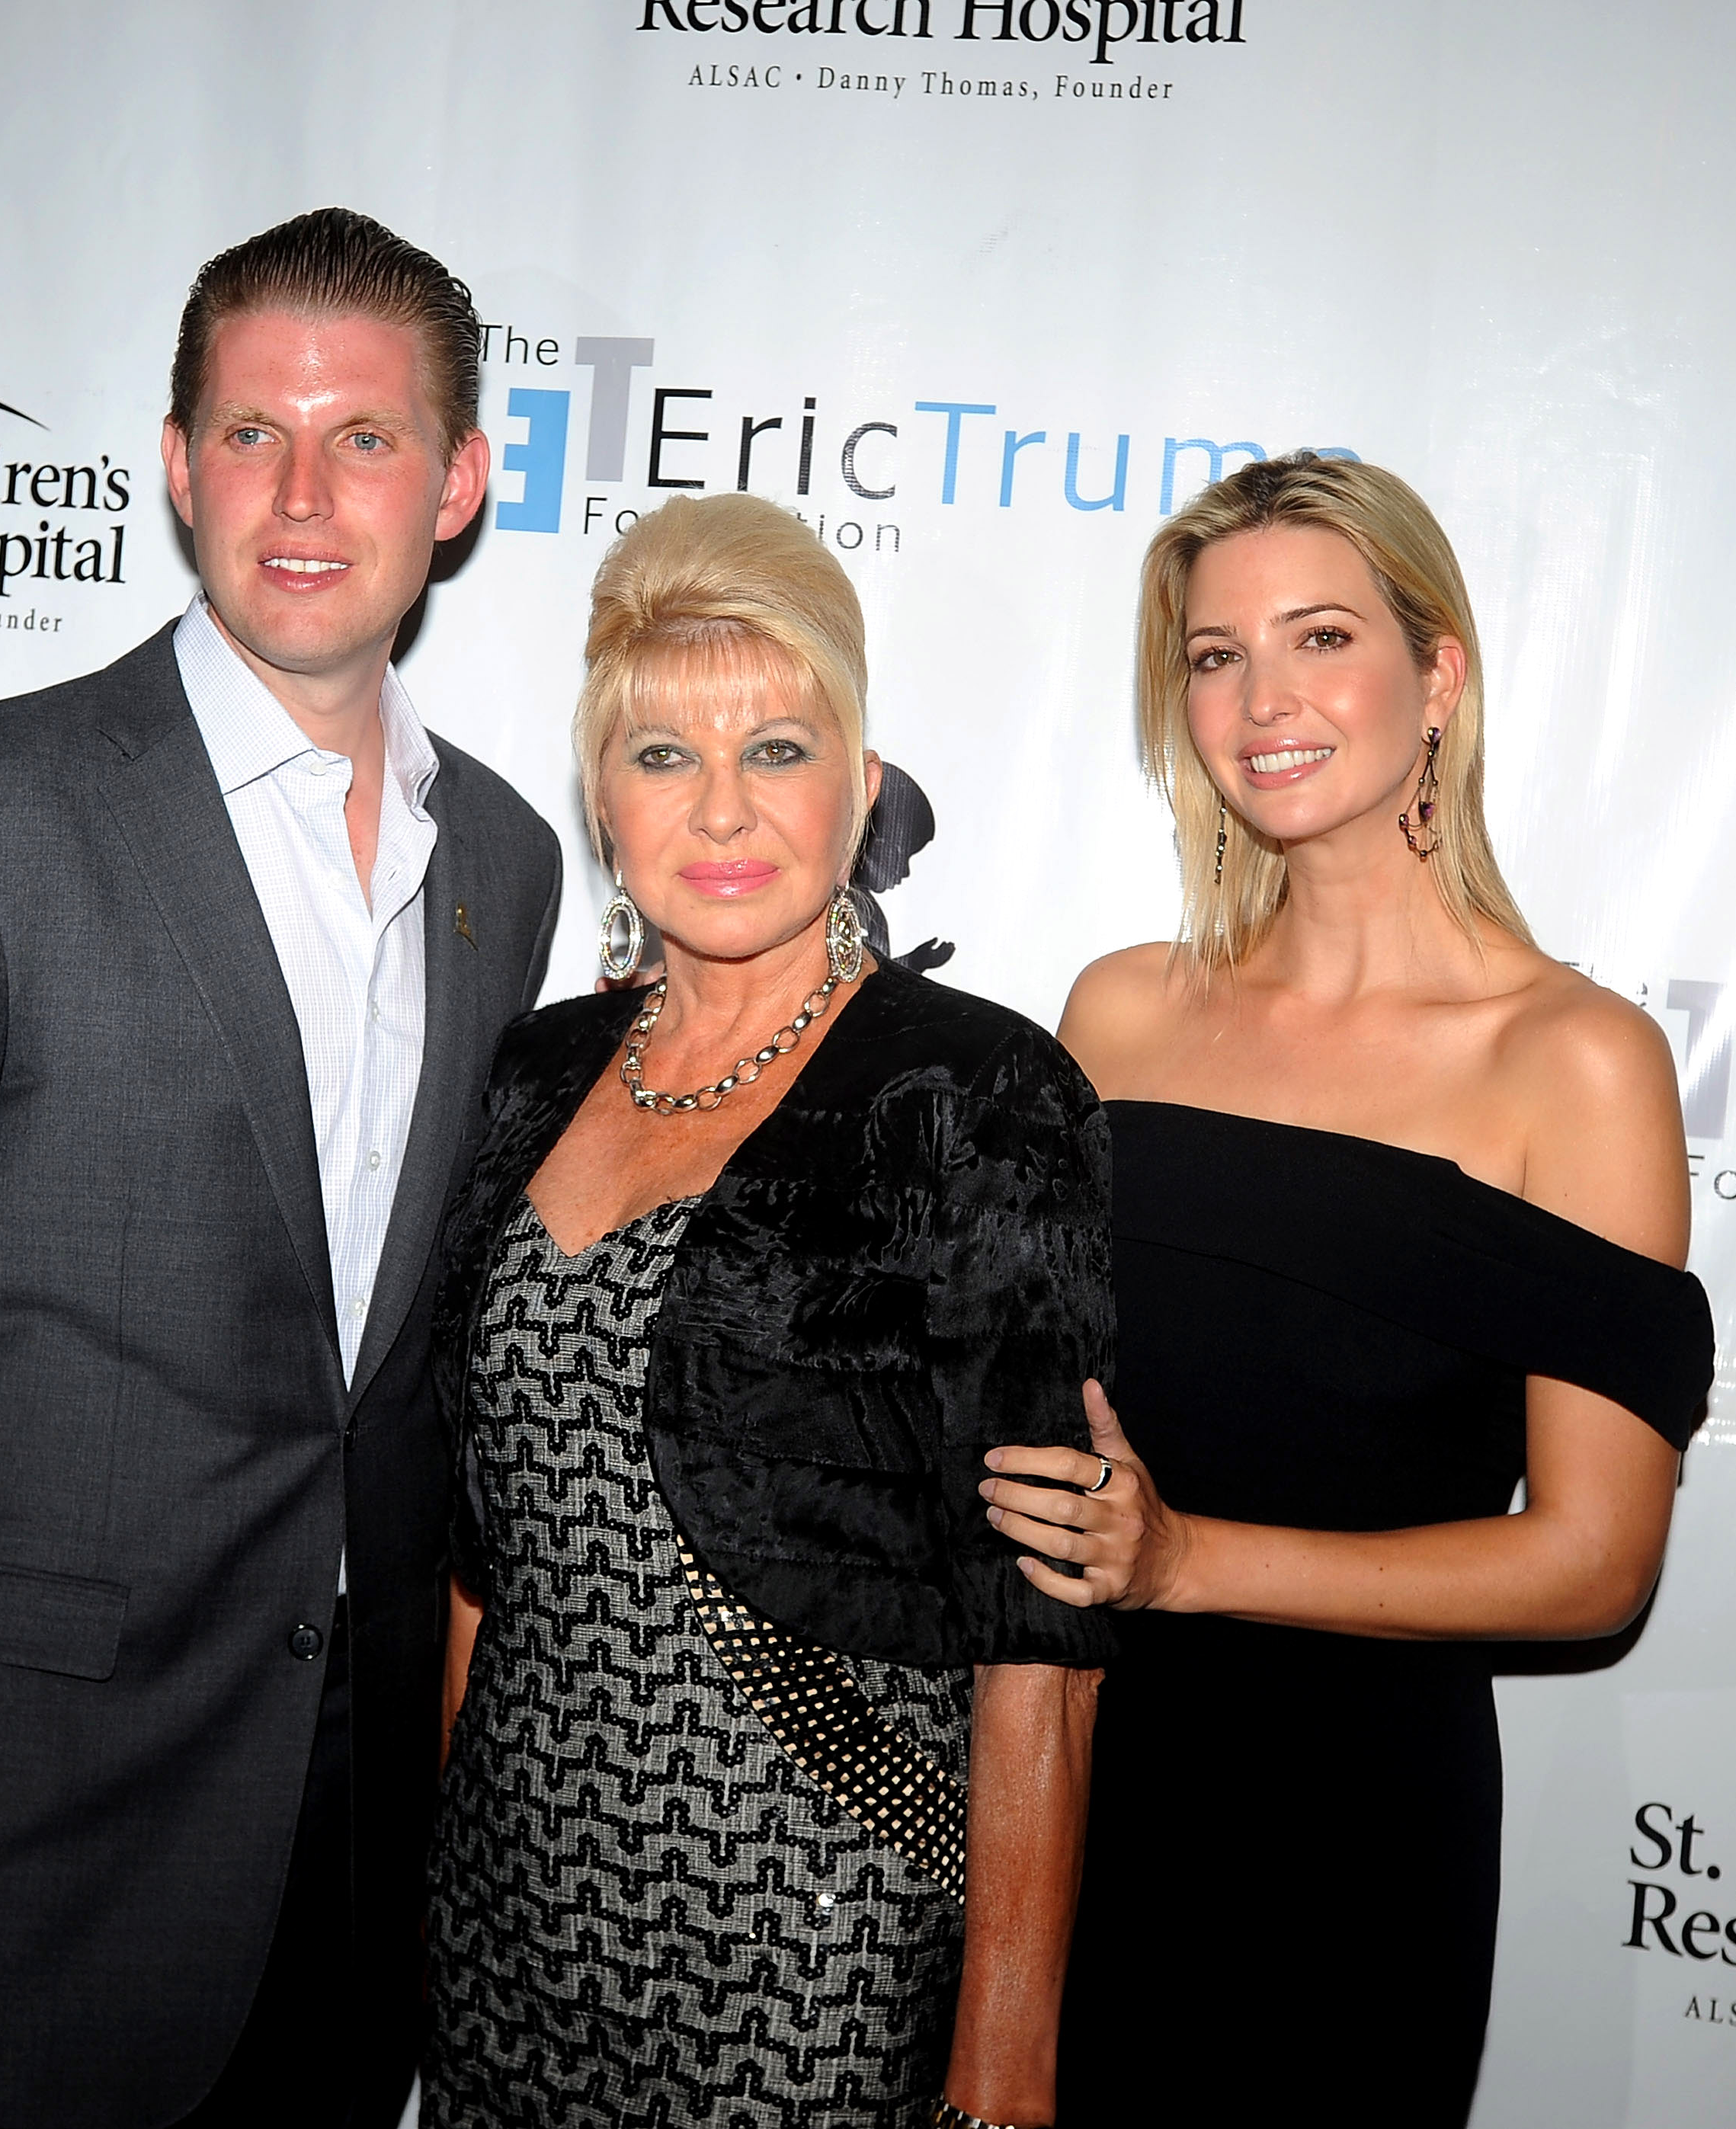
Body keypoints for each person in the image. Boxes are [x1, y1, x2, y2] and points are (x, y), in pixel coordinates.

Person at [0, 207, 561, 2129]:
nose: (306, 491)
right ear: (178, 466)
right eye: (254, 432)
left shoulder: (504, 861)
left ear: (463, 482)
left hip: (357, 1872)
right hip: (10, 1861)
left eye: (367, 436)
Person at [979, 452, 1715, 2126]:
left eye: (1320, 637)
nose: (1264, 698)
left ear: (1436, 673)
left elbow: (1595, 1560)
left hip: (1350, 1831)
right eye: (1217, 653)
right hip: (1076, 1783)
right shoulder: (1119, 1015)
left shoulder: (1575, 1059)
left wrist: (1184, 1559)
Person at [421, 492, 1114, 2128]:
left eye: (780, 750)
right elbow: (479, 1550)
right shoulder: (530, 1074)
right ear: (606, 798)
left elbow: (1044, 1634)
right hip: (506, 1930)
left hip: (814, 1936)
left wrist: (1003, 2070)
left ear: (860, 787)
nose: (722, 808)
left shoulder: (979, 1093)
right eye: (664, 756)